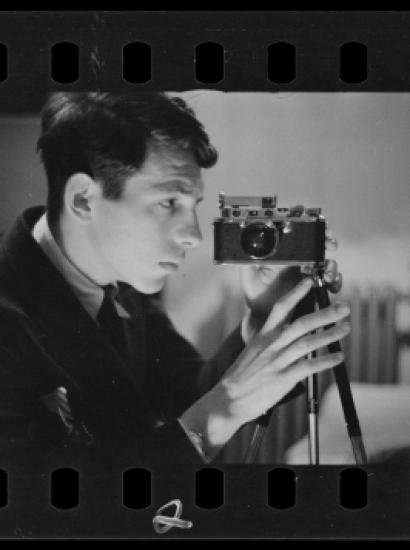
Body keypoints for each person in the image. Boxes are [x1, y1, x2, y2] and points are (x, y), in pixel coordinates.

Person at [0, 92, 350, 470]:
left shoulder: (123, 284)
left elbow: (188, 395)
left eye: (193, 206)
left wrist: (264, 309)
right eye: (169, 203)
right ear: (84, 199)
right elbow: (49, 507)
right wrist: (225, 408)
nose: (195, 236)